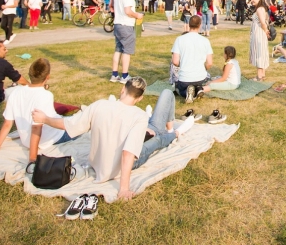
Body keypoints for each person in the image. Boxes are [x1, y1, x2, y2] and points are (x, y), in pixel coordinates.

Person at [32, 77, 192, 201]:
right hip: (125, 164)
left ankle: (166, 129)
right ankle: (174, 133)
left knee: (153, 130)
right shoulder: (138, 116)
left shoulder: (99, 105)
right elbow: (128, 152)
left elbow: (67, 124)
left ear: (123, 89)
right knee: (157, 138)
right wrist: (123, 188)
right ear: (140, 98)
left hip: (99, 163)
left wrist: (45, 119)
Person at [0, 58, 74, 162]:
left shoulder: (15, 92)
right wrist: (32, 158)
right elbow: (36, 128)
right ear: (48, 76)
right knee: (83, 124)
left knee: (71, 119)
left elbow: (7, 123)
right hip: (51, 138)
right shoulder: (45, 95)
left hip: (26, 141)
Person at [111, 0, 145, 84]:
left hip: (117, 23)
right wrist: (137, 15)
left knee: (118, 49)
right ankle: (125, 75)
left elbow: (111, 7)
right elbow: (128, 11)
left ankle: (114, 74)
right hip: (126, 25)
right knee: (127, 50)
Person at [172, 16, 213, 103]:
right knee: (198, 84)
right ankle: (198, 89)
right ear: (200, 25)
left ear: (189, 24)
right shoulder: (205, 41)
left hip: (185, 78)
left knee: (178, 88)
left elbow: (175, 61)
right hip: (201, 77)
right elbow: (209, 63)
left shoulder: (179, 39)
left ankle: (188, 92)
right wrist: (204, 68)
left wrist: (182, 64)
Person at [248, 0, 270, 81]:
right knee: (262, 53)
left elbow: (262, 22)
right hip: (260, 33)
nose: (251, 0)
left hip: (259, 34)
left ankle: (259, 76)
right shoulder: (262, 8)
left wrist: (265, 31)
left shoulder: (259, 9)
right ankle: (262, 74)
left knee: (259, 53)